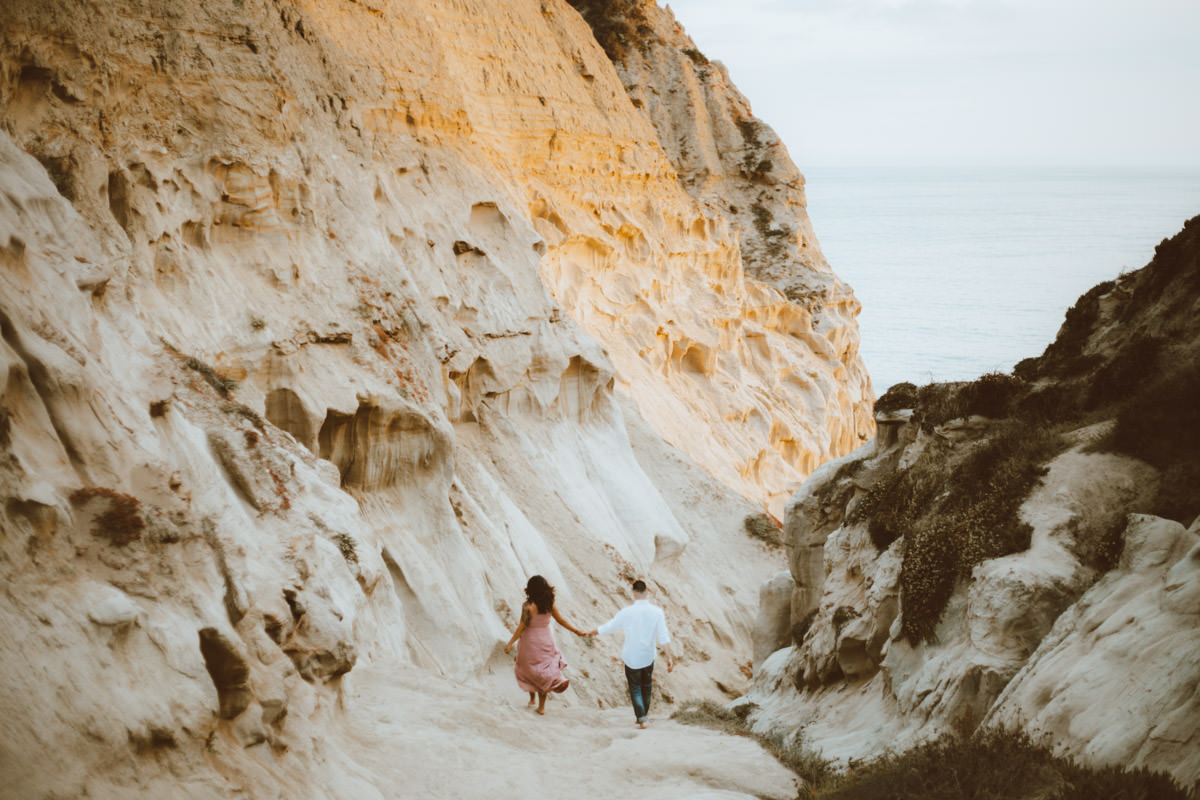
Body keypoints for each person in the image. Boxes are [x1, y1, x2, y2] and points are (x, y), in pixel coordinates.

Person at [587, 579, 673, 729]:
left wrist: (592, 632)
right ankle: (643, 715)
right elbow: (663, 636)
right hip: (648, 656)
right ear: (647, 592)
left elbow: (610, 626)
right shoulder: (657, 612)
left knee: (635, 688)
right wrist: (669, 658)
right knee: (646, 686)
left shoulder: (626, 612)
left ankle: (641, 718)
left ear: (633, 594)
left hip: (631, 657)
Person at [504, 575, 588, 715]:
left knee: (527, 669)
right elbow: (561, 621)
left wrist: (510, 643)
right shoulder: (550, 604)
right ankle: (541, 707)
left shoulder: (528, 606)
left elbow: (521, 627)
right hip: (546, 641)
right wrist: (576, 630)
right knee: (542, 673)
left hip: (530, 642)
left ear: (530, 590)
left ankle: (532, 700)